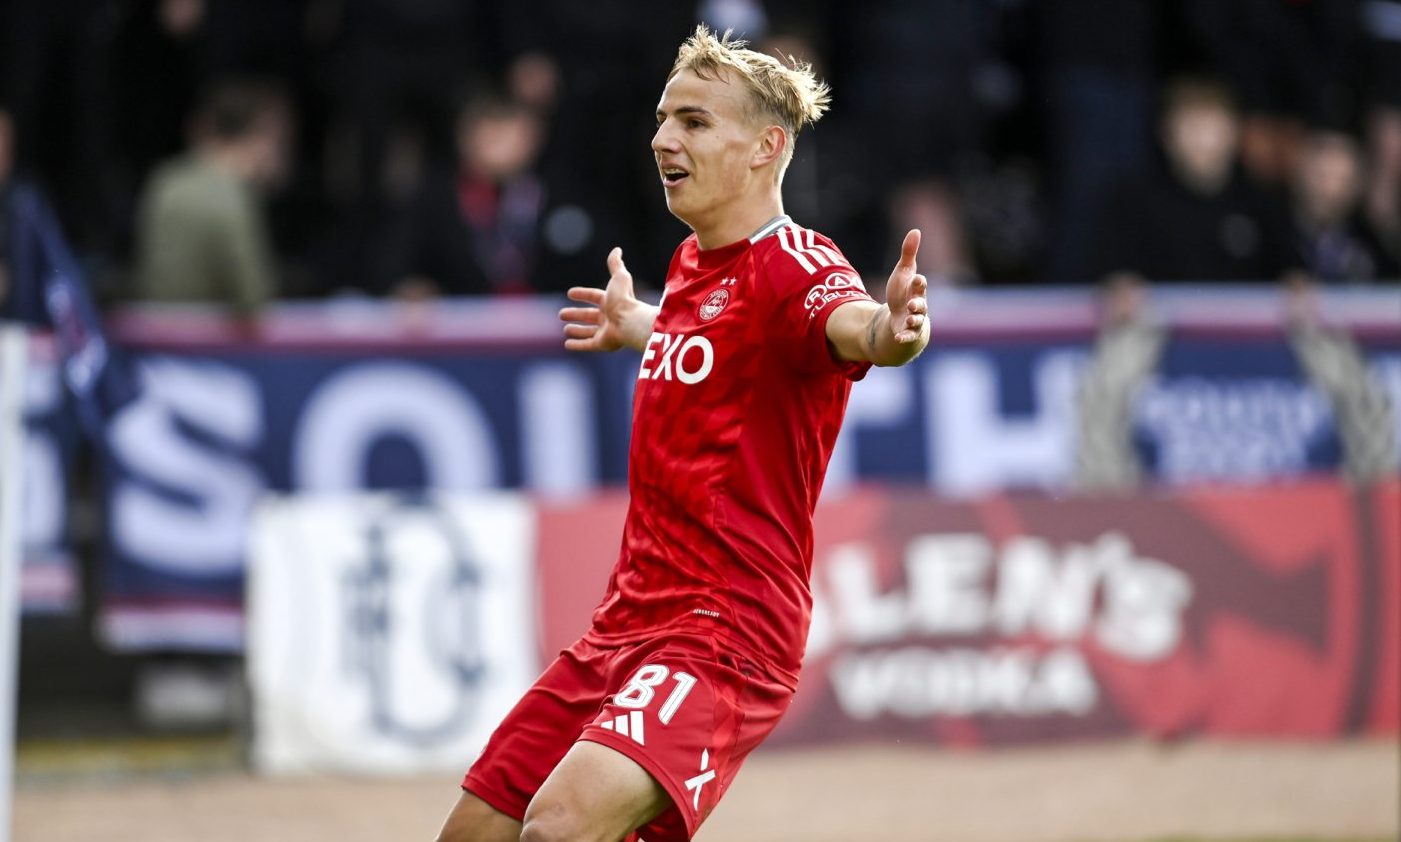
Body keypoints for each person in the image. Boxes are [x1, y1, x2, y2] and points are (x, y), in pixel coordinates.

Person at [435, 25, 930, 842]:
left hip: (724, 633)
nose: (664, 137)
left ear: (766, 148)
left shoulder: (797, 264)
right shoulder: (699, 267)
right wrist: (641, 322)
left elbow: (855, 329)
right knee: (474, 833)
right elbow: (719, 337)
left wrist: (896, 329)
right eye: (664, 118)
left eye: (695, 122)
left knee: (557, 827)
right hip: (626, 623)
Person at [131, 76, 291, 315]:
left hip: (160, 336)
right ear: (261, 134)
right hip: (208, 345)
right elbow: (253, 299)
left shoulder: (165, 182)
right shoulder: (233, 199)